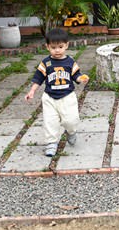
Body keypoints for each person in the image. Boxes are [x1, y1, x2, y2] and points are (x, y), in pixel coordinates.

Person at [25, 27, 89, 157]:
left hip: (68, 97)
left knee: (71, 120)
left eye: (60, 47)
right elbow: (38, 78)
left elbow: (75, 75)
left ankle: (71, 132)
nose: (57, 50)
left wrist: (81, 79)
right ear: (48, 47)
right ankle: (51, 143)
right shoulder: (46, 63)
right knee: (50, 121)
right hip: (50, 98)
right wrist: (32, 91)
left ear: (66, 45)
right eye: (53, 47)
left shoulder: (70, 62)